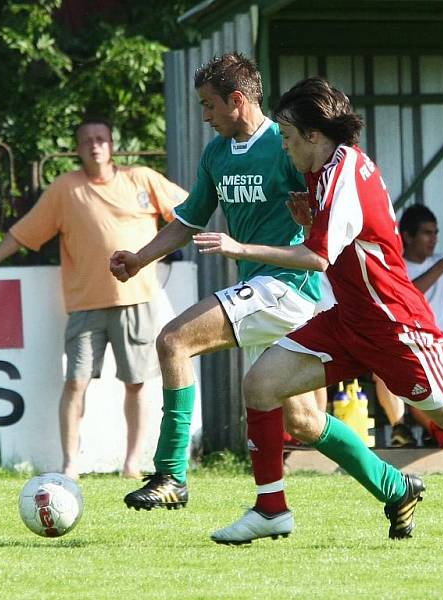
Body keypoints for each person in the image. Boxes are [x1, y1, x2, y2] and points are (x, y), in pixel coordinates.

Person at [197, 77, 443, 548]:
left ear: (313, 135)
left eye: (287, 138)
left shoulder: (341, 176)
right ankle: (271, 509)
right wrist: (313, 220)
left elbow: (318, 258)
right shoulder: (327, 164)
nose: (283, 148)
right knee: (261, 384)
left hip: (395, 327)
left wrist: (238, 246)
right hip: (349, 320)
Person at [110, 53, 322, 512]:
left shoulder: (283, 146)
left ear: (237, 100)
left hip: (288, 286)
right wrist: (140, 259)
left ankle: (171, 474)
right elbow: (188, 220)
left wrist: (313, 215)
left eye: (209, 105)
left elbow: (326, 210)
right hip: (262, 289)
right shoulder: (217, 154)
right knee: (304, 421)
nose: (204, 116)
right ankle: (394, 486)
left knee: (173, 341)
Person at [0, 116, 187, 480]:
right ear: (77, 149)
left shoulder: (141, 178)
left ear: (113, 145)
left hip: (137, 300)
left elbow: (192, 211)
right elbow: (24, 233)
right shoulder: (64, 189)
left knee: (136, 383)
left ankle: (132, 463)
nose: (95, 145)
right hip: (85, 304)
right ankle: (71, 463)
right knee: (75, 382)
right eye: (87, 140)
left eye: (101, 139)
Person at [377, 204, 443, 448]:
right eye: (427, 233)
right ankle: (410, 429)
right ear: (407, 236)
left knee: (432, 371)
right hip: (403, 344)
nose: (433, 239)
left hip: (440, 344)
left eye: (435, 233)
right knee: (386, 367)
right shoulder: (395, 267)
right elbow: (406, 299)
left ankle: (439, 429)